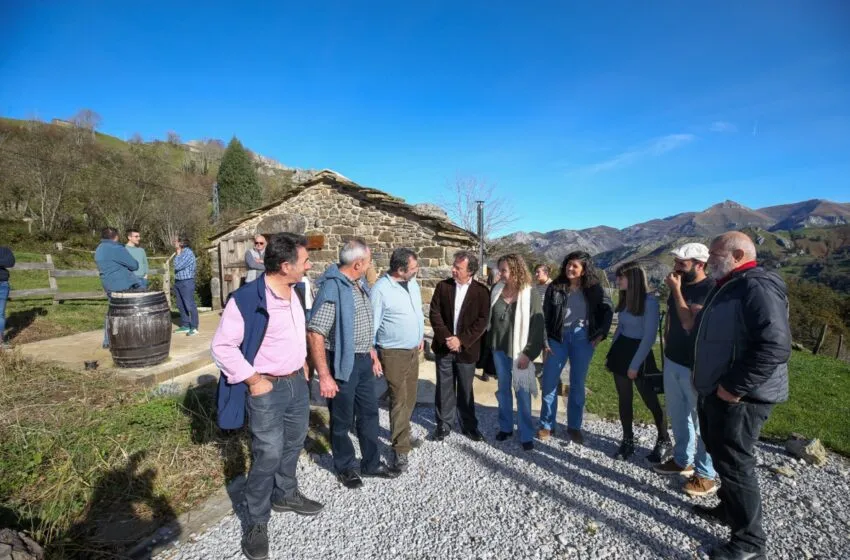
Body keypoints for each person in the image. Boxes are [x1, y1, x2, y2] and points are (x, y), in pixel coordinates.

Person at [211, 233, 323, 560]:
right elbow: (221, 347)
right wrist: (254, 379)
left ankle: (285, 494)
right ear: (286, 266)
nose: (309, 265)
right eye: (305, 261)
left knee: (293, 442)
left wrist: (303, 362)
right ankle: (257, 520)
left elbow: (293, 333)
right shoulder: (245, 299)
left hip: (295, 384)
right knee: (268, 453)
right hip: (266, 388)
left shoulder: (296, 291)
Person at [692, 232, 790, 560]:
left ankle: (749, 543)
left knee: (735, 462)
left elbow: (775, 344)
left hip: (742, 396)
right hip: (721, 391)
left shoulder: (756, 286)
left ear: (737, 254)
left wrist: (733, 386)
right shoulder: (732, 284)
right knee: (722, 455)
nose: (708, 260)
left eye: (715, 253)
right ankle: (729, 508)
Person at [308, 238, 398, 489]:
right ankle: (345, 466)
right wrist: (324, 376)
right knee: (342, 418)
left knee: (369, 413)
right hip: (340, 363)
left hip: (362, 361)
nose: (371, 265)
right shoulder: (333, 288)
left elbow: (363, 324)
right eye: (368, 262)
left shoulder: (358, 285)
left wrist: (371, 351)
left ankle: (370, 463)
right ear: (358, 264)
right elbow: (316, 332)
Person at [653, 243, 718, 497]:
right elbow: (671, 318)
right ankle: (682, 460)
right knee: (679, 414)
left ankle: (706, 474)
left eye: (682, 263)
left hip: (696, 365)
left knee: (700, 420)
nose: (676, 267)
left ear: (699, 265)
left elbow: (689, 323)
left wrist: (677, 291)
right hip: (673, 360)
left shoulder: (710, 289)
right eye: (676, 262)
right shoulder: (677, 285)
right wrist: (669, 345)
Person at [538, 251, 613, 444]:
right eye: (568, 264)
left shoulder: (594, 289)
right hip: (557, 338)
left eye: (575, 266)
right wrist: (545, 341)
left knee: (577, 384)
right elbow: (544, 315)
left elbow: (607, 310)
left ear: (584, 269)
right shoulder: (555, 287)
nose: (570, 269)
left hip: (583, 339)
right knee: (549, 382)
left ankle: (574, 427)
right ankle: (547, 424)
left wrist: (601, 334)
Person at [605, 261, 671, 462]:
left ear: (633, 279)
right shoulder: (626, 300)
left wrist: (634, 365)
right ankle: (627, 440)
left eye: (621, 277)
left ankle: (664, 439)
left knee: (650, 401)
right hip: (622, 351)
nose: (617, 281)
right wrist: (612, 351)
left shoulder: (650, 303)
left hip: (640, 355)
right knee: (624, 400)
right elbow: (621, 328)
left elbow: (649, 337)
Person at [371, 248, 425, 473]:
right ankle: (400, 448)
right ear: (400, 270)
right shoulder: (381, 290)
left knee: (410, 396)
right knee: (399, 399)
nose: (417, 270)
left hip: (413, 350)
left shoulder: (412, 283)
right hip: (393, 353)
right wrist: (373, 354)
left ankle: (403, 432)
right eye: (413, 268)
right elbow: (372, 323)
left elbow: (417, 311)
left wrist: (420, 335)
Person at [428, 250, 490, 442]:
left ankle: (469, 425)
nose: (453, 269)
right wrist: (448, 337)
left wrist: (461, 340)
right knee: (444, 388)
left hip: (467, 349)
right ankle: (443, 425)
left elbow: (482, 321)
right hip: (444, 347)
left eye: (458, 267)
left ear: (470, 271)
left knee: (465, 388)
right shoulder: (442, 287)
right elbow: (434, 313)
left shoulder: (481, 292)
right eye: (453, 266)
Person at [488, 253, 545, 451]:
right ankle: (505, 427)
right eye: (500, 269)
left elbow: (538, 327)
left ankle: (526, 433)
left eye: (504, 270)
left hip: (521, 352)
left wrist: (528, 354)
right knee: (503, 390)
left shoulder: (530, 294)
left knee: (522, 392)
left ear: (516, 270)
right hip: (499, 350)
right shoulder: (496, 290)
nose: (500, 274)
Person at [95, 227, 147, 349]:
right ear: (115, 237)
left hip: (108, 284)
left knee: (112, 311)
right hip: (124, 285)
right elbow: (134, 265)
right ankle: (135, 338)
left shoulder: (99, 249)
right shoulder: (116, 248)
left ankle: (108, 340)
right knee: (134, 310)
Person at [173, 235, 199, 336]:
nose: (174, 242)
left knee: (189, 305)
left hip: (187, 281)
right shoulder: (182, 253)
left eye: (176, 241)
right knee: (180, 305)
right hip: (179, 281)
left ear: (181, 243)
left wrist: (178, 253)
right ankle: (185, 325)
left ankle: (194, 327)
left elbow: (177, 266)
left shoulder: (188, 253)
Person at [0, 245, 14, 349]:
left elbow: (10, 262)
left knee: (0, 314)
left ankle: (0, 341)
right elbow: (5, 262)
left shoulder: (5, 250)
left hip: (3, 285)